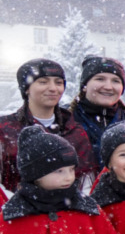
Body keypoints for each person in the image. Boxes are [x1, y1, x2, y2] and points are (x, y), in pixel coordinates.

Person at [0, 59, 95, 192]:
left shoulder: (74, 130)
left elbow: (86, 182)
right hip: (17, 209)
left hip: (68, 209)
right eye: (43, 82)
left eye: (59, 82)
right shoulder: (5, 129)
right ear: (26, 88)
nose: (53, 88)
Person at [68, 56, 125, 170]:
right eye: (100, 79)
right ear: (84, 86)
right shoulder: (66, 119)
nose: (108, 87)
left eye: (115, 81)